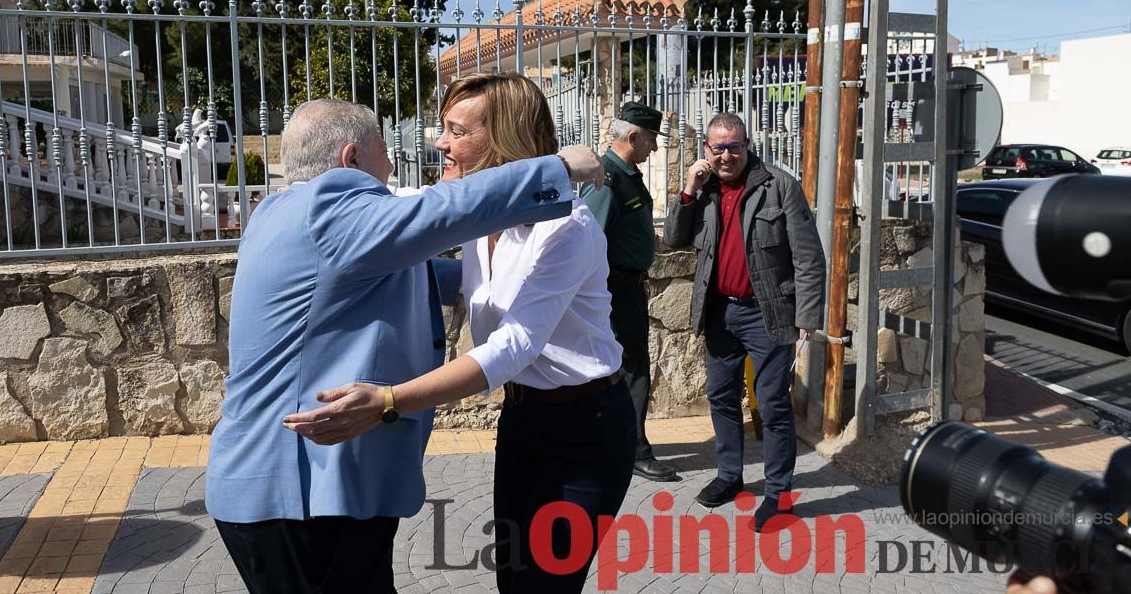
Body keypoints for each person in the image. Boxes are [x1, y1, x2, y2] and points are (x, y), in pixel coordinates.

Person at [205, 97, 605, 594]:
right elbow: (439, 212)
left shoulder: (281, 210)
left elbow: (408, 271)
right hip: (296, 497)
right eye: (384, 152)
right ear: (350, 160)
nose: (394, 166)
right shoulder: (331, 210)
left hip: (309, 489)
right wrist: (558, 169)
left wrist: (528, 283)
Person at [662, 112, 826, 532]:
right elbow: (674, 239)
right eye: (718, 147)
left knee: (772, 406)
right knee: (721, 397)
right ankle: (730, 476)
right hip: (720, 311)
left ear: (747, 144)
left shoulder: (779, 185)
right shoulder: (706, 190)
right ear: (707, 150)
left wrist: (807, 316)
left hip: (767, 312)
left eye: (734, 146)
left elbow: (808, 257)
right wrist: (688, 190)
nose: (727, 155)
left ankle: (778, 496)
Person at [580, 101, 680, 483]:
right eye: (652, 138)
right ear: (633, 136)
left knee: (626, 370)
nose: (654, 147)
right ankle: (634, 450)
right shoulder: (608, 179)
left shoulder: (625, 174)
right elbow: (587, 241)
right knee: (632, 370)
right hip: (614, 292)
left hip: (625, 289)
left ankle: (618, 444)